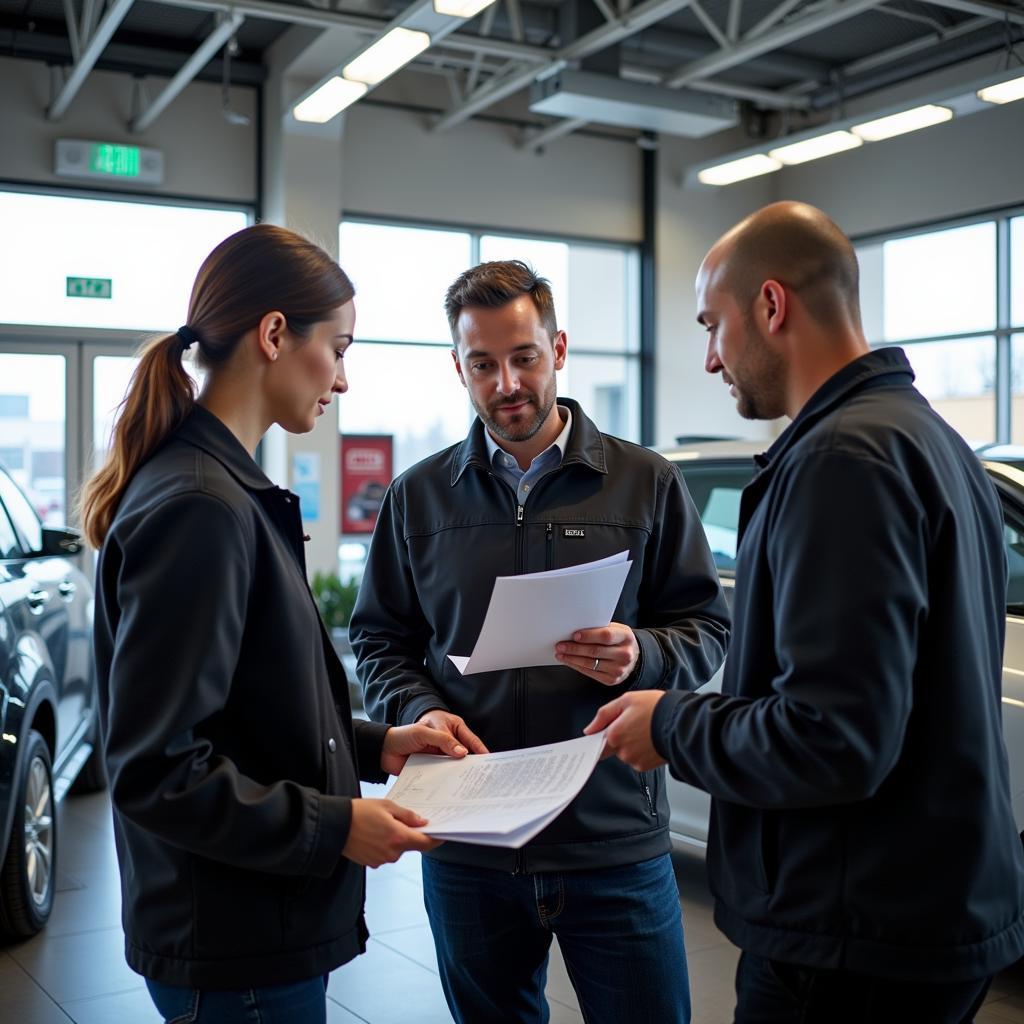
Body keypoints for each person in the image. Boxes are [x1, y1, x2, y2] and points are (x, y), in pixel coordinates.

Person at [587, 201, 1024, 1023]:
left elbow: (835, 738)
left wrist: (671, 724)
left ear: (772, 306)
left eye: (712, 325)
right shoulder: (930, 441)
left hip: (854, 937)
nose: (710, 359)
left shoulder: (841, 461)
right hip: (930, 912)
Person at [83, 224, 466, 1024]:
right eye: (340, 346)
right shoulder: (201, 506)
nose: (344, 379)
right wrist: (335, 828)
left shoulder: (219, 489)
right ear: (273, 335)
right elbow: (159, 769)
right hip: (236, 947)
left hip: (248, 931)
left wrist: (377, 745)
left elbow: (247, 710)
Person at [349, 259, 730, 1024]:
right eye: (483, 365)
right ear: (458, 367)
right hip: (466, 841)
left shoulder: (645, 481)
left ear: (558, 349)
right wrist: (417, 709)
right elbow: (380, 639)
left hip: (611, 837)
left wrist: (642, 654)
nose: (507, 384)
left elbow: (706, 626)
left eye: (523, 358)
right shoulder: (417, 497)